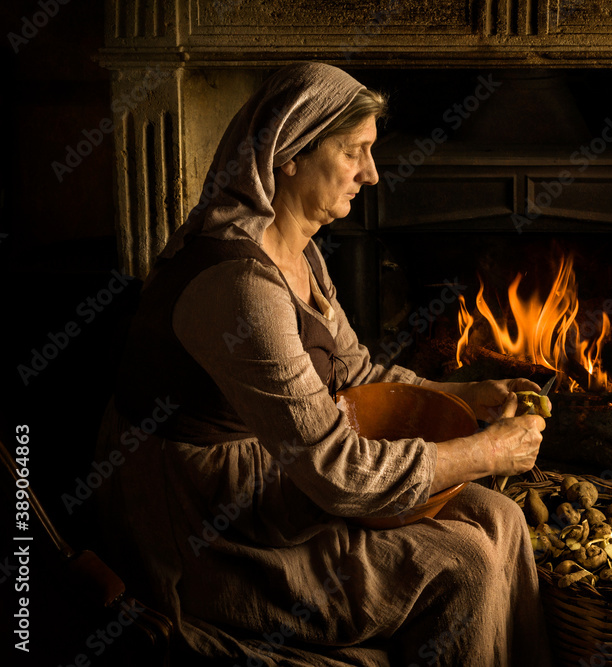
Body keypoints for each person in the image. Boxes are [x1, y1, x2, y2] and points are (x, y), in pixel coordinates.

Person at [95, 62, 550, 667]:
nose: (372, 173)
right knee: (462, 564)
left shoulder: (300, 251)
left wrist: (465, 395)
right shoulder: (240, 289)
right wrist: (486, 453)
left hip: (283, 476)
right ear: (289, 154)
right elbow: (336, 467)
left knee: (502, 516)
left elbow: (353, 377)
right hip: (211, 529)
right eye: (354, 151)